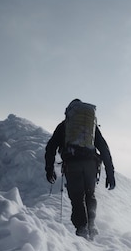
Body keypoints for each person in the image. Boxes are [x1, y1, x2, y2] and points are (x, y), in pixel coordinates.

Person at [45, 99, 115, 239]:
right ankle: (92, 224)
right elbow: (104, 149)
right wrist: (110, 173)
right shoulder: (91, 128)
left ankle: (82, 228)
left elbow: (51, 147)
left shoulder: (64, 126)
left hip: (72, 165)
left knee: (77, 197)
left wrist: (49, 168)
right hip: (91, 165)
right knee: (90, 194)